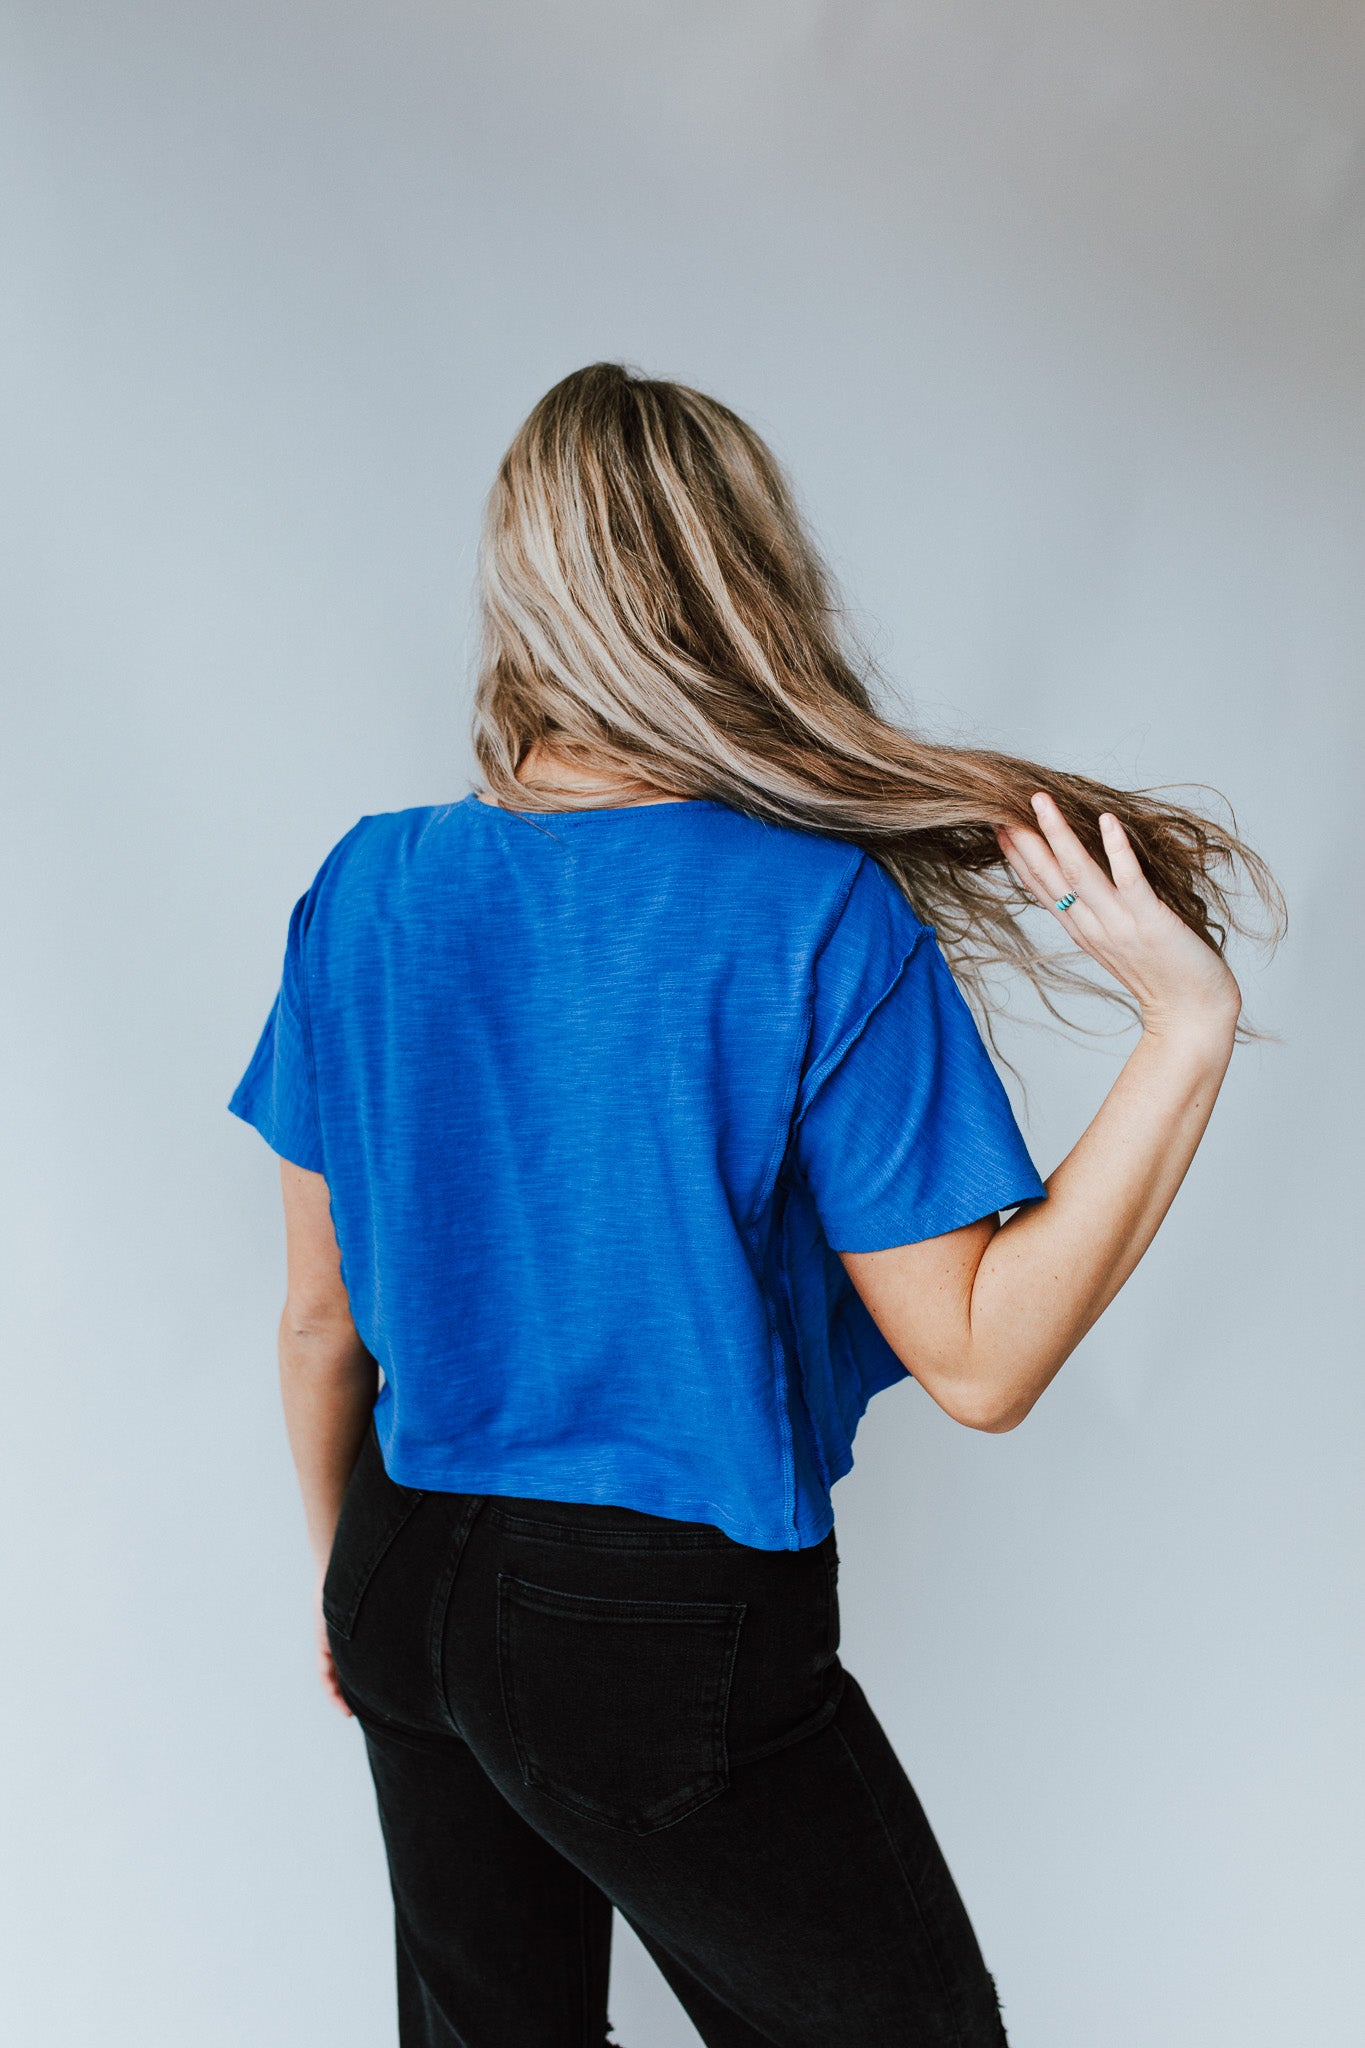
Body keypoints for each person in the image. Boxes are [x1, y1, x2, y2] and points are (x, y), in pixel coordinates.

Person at [227, 364, 1280, 2047]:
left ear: (524, 590)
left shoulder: (366, 884)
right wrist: (1187, 1029)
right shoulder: (809, 914)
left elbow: (315, 1321)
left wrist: (348, 1588)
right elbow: (980, 1365)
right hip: (649, 1620)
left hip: (402, 1557)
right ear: (746, 585)